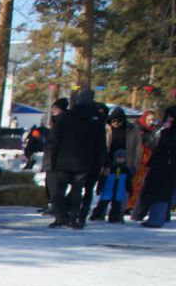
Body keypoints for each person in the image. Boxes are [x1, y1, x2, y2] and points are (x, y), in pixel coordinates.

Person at [46, 88, 105, 229]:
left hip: (63, 159)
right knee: (78, 190)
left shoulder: (66, 116)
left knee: (60, 189)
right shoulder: (97, 118)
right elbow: (100, 144)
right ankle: (74, 217)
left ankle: (60, 217)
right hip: (84, 161)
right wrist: (98, 163)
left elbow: (55, 139)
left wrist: (53, 159)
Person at [89, 106, 141, 221]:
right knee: (106, 187)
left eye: (118, 121)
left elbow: (137, 147)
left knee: (121, 190)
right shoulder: (106, 128)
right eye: (113, 121)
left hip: (126, 163)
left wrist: (135, 164)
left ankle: (118, 213)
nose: (116, 124)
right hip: (108, 163)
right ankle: (100, 212)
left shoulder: (132, 129)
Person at [136, 105, 175, 229]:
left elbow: (165, 146)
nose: (168, 120)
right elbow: (155, 146)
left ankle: (157, 219)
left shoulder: (168, 132)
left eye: (170, 117)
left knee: (162, 194)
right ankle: (156, 217)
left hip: (167, 166)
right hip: (160, 165)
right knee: (158, 193)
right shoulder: (163, 131)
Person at [42, 97, 70, 214]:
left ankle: (56, 206)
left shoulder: (60, 121)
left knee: (54, 183)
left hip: (55, 158)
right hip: (53, 156)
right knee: (50, 182)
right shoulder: (59, 120)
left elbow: (54, 141)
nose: (53, 110)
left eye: (55, 108)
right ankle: (53, 204)